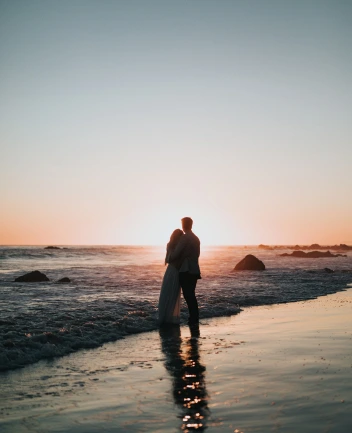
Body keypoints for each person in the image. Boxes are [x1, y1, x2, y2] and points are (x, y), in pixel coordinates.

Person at [169, 217, 201, 324]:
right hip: (195, 270)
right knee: (191, 295)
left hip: (185, 270)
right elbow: (197, 255)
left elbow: (176, 253)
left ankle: (193, 318)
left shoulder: (185, 238)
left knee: (188, 295)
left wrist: (169, 258)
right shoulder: (196, 238)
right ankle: (194, 317)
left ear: (184, 225)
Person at [158, 229, 184, 325]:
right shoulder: (174, 246)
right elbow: (169, 259)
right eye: (181, 236)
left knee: (171, 293)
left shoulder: (176, 246)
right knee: (169, 293)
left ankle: (168, 316)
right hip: (173, 271)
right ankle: (166, 316)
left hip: (173, 271)